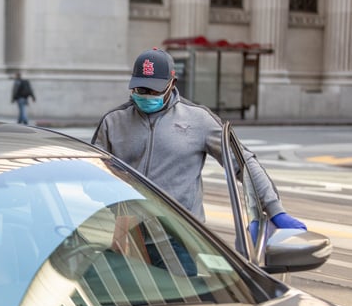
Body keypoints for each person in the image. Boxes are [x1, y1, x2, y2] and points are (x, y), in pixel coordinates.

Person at [91, 48, 307, 245]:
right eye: (141, 88)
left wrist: (274, 209)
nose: (146, 95)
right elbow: (92, 175)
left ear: (171, 84)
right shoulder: (113, 122)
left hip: (182, 238)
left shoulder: (198, 120)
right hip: (128, 236)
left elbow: (243, 162)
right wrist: (113, 200)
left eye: (154, 90)